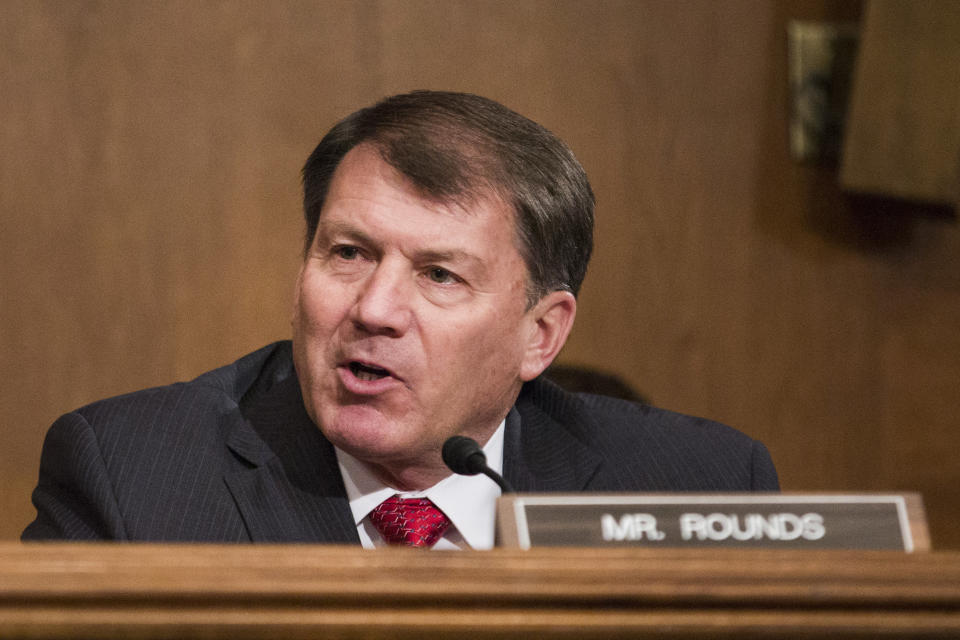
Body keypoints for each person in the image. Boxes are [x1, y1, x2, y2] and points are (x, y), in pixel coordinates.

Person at [22, 91, 778, 548]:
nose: (374, 310)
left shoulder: (702, 488)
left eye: (439, 275)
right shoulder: (131, 479)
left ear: (539, 334)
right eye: (348, 254)